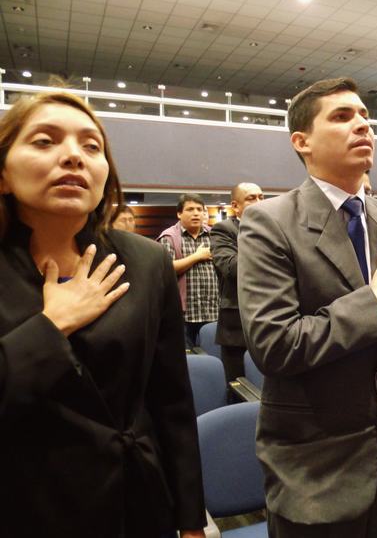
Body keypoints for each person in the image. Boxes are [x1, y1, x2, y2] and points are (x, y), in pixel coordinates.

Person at [236, 77, 377, 537]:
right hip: (316, 470)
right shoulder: (269, 222)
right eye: (341, 116)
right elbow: (273, 345)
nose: (362, 125)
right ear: (302, 141)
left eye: (364, 117)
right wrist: (370, 305)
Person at [0, 91, 205, 537]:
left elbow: (170, 400)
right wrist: (52, 326)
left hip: (137, 499)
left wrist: (191, 519)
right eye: (44, 141)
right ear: (4, 174)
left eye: (91, 146)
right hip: (26, 505)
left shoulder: (146, 261)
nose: (73, 156)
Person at [209, 182, 264, 382]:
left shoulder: (275, 229)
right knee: (239, 387)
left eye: (261, 197)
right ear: (235, 206)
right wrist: (267, 248)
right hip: (237, 327)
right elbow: (231, 268)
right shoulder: (223, 229)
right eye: (251, 198)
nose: (259, 202)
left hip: (274, 320)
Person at [158, 194, 219, 348]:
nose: (196, 213)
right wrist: (197, 256)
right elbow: (166, 269)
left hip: (213, 310)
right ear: (179, 214)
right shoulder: (169, 237)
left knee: (214, 356)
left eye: (199, 209)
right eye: (190, 209)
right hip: (184, 315)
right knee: (185, 358)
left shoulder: (215, 235)